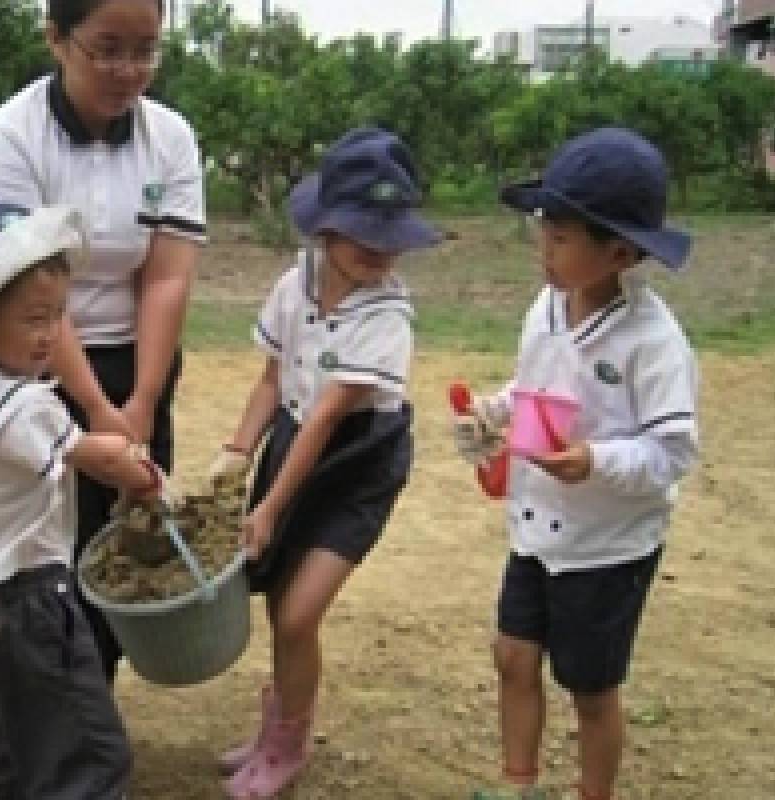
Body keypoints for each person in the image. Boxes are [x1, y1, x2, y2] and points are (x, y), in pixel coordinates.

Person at [454, 128, 699, 800]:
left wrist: (596, 459)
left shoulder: (653, 342)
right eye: (544, 232)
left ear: (619, 252)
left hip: (607, 546)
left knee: (590, 688)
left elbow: (673, 451)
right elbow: (534, 384)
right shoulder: (548, 308)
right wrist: (495, 413)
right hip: (536, 525)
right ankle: (518, 784)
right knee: (512, 656)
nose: (544, 250)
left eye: (560, 239)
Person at [0, 0, 205, 680]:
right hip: (31, 357)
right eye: (107, 48)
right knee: (45, 550)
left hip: (139, 360)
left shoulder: (172, 139)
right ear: (56, 40)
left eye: (146, 49)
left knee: (122, 544)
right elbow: (30, 293)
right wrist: (99, 411)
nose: (129, 70)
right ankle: (48, 711)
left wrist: (142, 402)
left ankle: (89, 705)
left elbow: (164, 279)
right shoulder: (9, 138)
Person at [212, 128, 441, 798]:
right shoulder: (296, 283)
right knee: (280, 597)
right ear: (323, 228)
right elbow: (270, 380)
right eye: (360, 233)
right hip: (293, 443)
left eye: (388, 235)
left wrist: (270, 506)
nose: (377, 251)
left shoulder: (388, 312)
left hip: (357, 461)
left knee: (297, 614)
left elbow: (330, 417)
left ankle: (288, 744)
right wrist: (235, 453)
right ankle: (272, 728)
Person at [0, 204, 168, 799]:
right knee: (87, 763)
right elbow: (99, 458)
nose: (52, 334)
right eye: (34, 319)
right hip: (33, 607)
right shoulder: (27, 408)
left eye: (58, 316)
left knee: (10, 760)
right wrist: (139, 470)